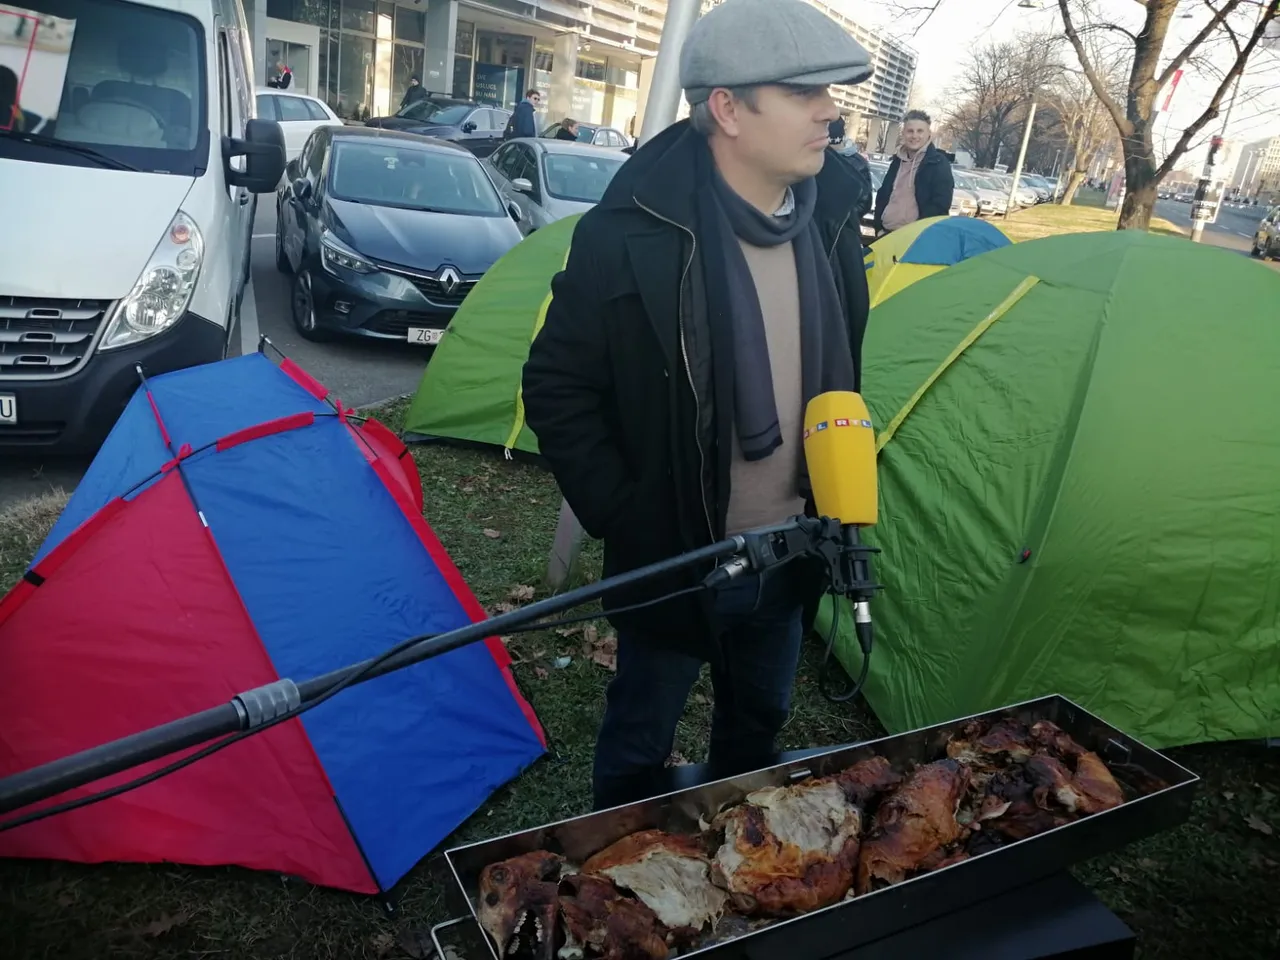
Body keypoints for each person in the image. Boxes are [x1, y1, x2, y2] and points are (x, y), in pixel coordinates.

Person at [521, 0, 874, 811]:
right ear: (728, 108)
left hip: (792, 555)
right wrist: (626, 512)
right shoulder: (629, 233)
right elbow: (556, 384)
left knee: (756, 746)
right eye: (804, 93)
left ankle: (738, 884)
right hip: (675, 559)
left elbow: (839, 374)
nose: (832, 112)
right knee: (638, 750)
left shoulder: (830, 227)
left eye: (832, 93)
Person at [873, 109, 953, 235]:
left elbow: (940, 204)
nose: (914, 136)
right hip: (886, 235)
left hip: (915, 238)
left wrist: (919, 233)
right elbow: (883, 195)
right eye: (910, 131)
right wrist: (878, 227)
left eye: (920, 131)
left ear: (929, 134)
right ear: (903, 133)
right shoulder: (897, 161)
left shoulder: (938, 163)